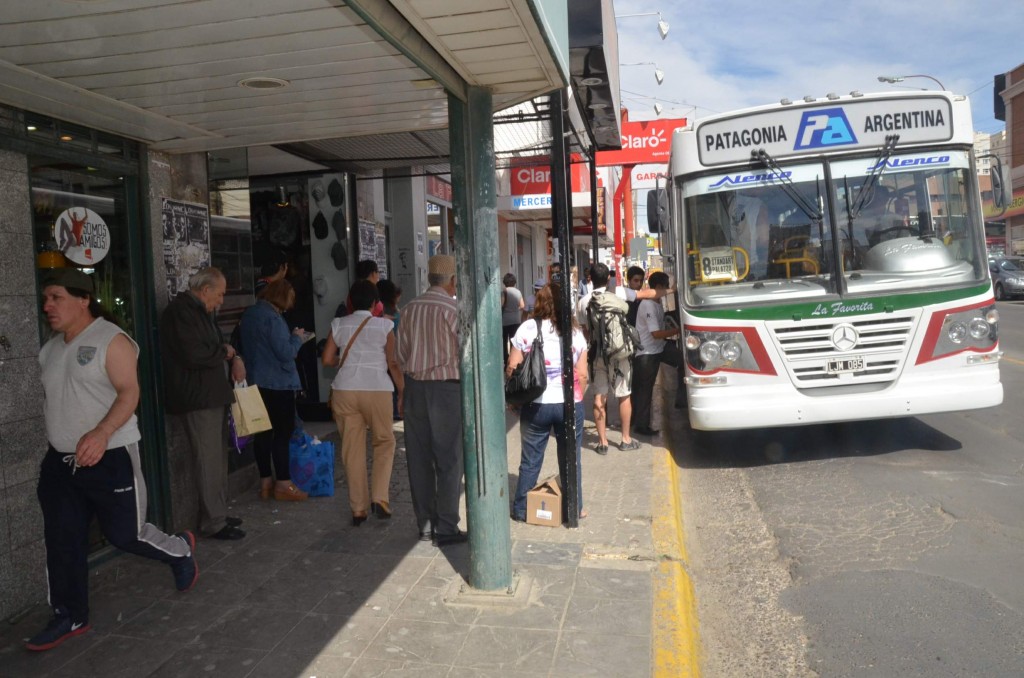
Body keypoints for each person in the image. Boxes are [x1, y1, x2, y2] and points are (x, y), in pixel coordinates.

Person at [28, 269, 197, 652]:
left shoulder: (111, 340)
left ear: (83, 298)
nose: (47, 306)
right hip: (61, 464)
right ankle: (69, 615)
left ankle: (180, 550)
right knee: (62, 540)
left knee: (126, 534)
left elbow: (128, 392)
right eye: (46, 299)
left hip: (112, 456)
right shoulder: (51, 348)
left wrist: (102, 433)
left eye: (56, 297)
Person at [159, 267, 246, 540]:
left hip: (211, 395)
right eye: (219, 295)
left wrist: (229, 354)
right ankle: (213, 522)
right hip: (197, 398)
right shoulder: (181, 312)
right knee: (207, 460)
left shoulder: (199, 311)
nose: (221, 301)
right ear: (205, 289)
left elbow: (213, 345)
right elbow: (194, 354)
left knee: (217, 458)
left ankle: (217, 512)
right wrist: (223, 351)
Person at [395, 254, 467, 546]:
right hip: (447, 390)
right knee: (450, 460)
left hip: (415, 389)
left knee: (419, 459)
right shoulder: (453, 310)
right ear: (452, 281)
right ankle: (447, 527)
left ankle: (425, 524)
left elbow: (399, 354)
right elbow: (467, 353)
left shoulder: (410, 309)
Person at [323, 280, 404, 526]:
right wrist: (403, 391)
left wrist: (347, 362)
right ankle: (380, 498)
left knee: (352, 449)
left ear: (350, 302)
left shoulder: (338, 324)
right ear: (375, 303)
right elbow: (392, 363)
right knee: (384, 441)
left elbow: (327, 359)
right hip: (377, 389)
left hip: (345, 391)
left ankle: (358, 509)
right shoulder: (385, 326)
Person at [507, 283, 588, 523]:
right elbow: (582, 375)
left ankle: (521, 509)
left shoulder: (527, 328)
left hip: (536, 405)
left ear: (540, 302)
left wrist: (516, 400)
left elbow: (512, 367)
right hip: (569, 405)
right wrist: (576, 398)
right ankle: (575, 508)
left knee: (530, 460)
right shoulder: (575, 332)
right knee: (571, 458)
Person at [576, 262, 670, 455]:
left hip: (598, 355)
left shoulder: (583, 301)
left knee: (599, 397)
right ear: (608, 278)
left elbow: (585, 331)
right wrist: (673, 290)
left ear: (590, 279)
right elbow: (648, 294)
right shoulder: (618, 291)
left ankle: (602, 442)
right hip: (620, 352)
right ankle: (625, 439)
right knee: (624, 396)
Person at [238, 279, 309, 502]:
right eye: (290, 298)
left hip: (255, 382)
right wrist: (297, 338)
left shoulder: (249, 314)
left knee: (262, 434)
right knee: (282, 434)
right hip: (278, 384)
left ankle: (265, 483)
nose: (291, 303)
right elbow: (286, 353)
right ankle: (284, 484)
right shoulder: (273, 318)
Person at [630, 272, 682, 436]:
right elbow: (655, 334)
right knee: (645, 390)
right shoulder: (648, 305)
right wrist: (677, 331)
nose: (667, 290)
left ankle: (682, 398)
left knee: (684, 360)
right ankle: (641, 425)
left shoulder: (657, 303)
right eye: (666, 287)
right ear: (659, 287)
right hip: (647, 353)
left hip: (659, 348)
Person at [377, 278, 404, 420]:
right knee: (394, 380)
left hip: (378, 354)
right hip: (393, 352)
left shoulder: (377, 313)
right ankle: (396, 410)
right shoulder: (395, 314)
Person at [500, 273, 525, 364]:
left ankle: (506, 360)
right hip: (516, 319)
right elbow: (522, 306)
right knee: (513, 341)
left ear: (505, 282)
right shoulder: (518, 292)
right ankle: (512, 360)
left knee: (504, 341)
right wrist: (515, 309)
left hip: (505, 320)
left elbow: (501, 304)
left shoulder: (504, 292)